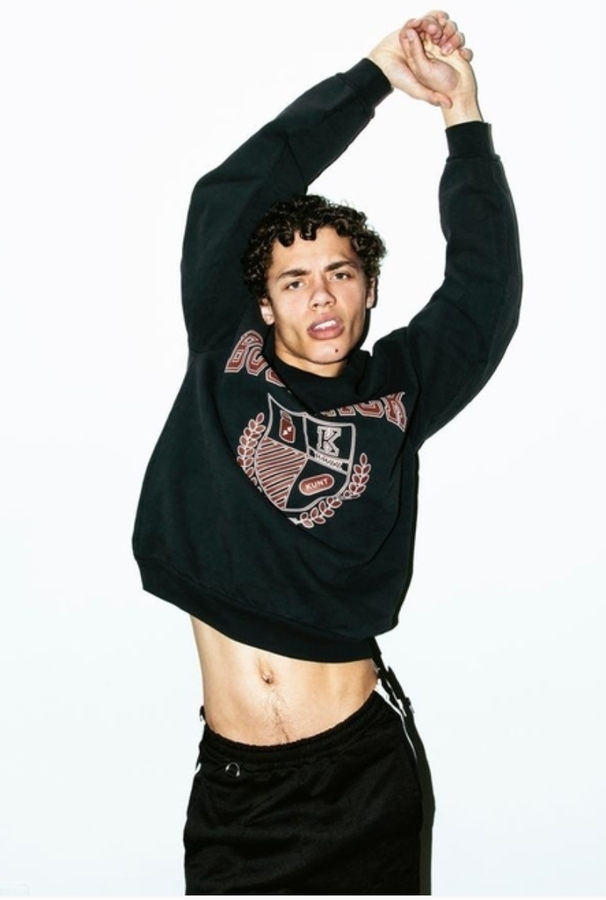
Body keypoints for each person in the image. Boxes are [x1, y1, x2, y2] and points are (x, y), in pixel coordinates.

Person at [133, 10, 522, 895]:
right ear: (263, 301)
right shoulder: (224, 353)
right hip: (237, 798)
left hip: (363, 781)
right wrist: (374, 77)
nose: (320, 296)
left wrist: (463, 120)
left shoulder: (398, 393)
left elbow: (483, 291)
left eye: (341, 273)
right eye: (295, 279)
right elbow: (232, 190)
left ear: (368, 288)